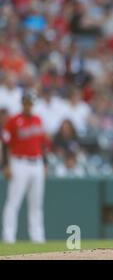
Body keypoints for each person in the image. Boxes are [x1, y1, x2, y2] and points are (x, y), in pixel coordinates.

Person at [1, 91, 48, 243]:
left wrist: (45, 163)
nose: (29, 105)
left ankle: (38, 237)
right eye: (26, 102)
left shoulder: (38, 119)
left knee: (36, 204)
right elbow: (5, 144)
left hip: (37, 163)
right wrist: (5, 165)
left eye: (31, 103)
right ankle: (8, 237)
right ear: (22, 103)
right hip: (19, 162)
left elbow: (42, 144)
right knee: (13, 202)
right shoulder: (14, 120)